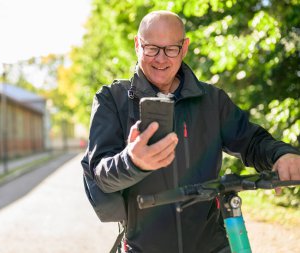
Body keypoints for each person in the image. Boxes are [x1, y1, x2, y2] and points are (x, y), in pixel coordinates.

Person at [81, 10, 300, 253]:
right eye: (152, 48)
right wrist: (132, 162)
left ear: (184, 48)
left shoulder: (211, 99)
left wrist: (281, 154)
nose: (161, 59)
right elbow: (101, 174)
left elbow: (252, 141)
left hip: (213, 246)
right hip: (143, 248)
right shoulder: (112, 99)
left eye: (171, 49)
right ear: (137, 45)